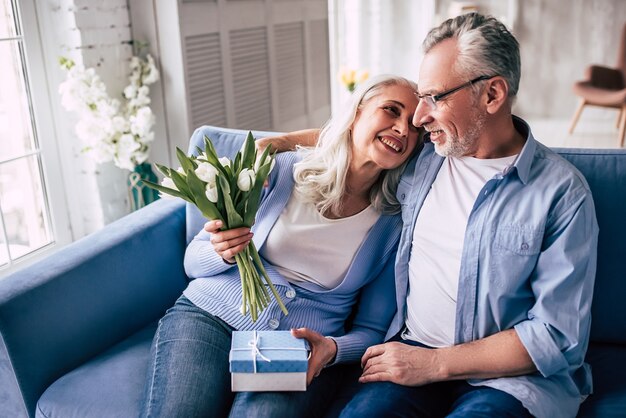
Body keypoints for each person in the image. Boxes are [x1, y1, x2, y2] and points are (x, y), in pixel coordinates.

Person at [266, 12, 599, 418]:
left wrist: (435, 364)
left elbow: (556, 335)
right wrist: (282, 141)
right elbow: (361, 132)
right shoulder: (427, 153)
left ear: (492, 95)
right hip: (412, 355)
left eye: (435, 98)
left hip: (511, 383)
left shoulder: (562, 194)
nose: (419, 118)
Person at [140, 74, 423, 418]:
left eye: (414, 125)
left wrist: (331, 350)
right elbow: (193, 263)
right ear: (357, 113)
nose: (403, 129)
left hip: (294, 346)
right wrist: (221, 250)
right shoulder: (279, 170)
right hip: (207, 317)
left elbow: (373, 329)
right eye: (391, 111)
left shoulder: (394, 223)